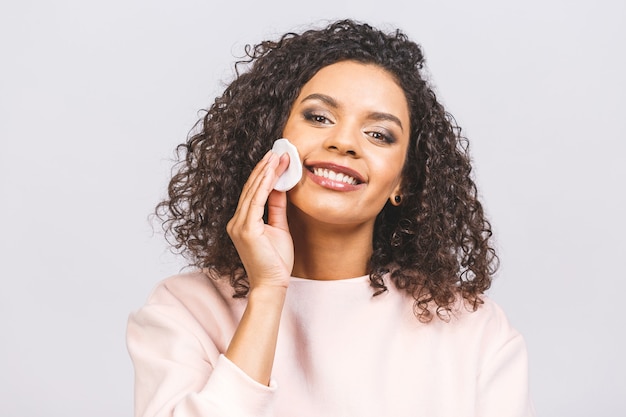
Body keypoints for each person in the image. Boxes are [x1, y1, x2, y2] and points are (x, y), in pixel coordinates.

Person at [127, 19, 535, 417]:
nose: (343, 142)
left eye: (379, 134)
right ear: (271, 136)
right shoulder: (185, 310)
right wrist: (268, 292)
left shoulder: (475, 331)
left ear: (403, 183)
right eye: (319, 117)